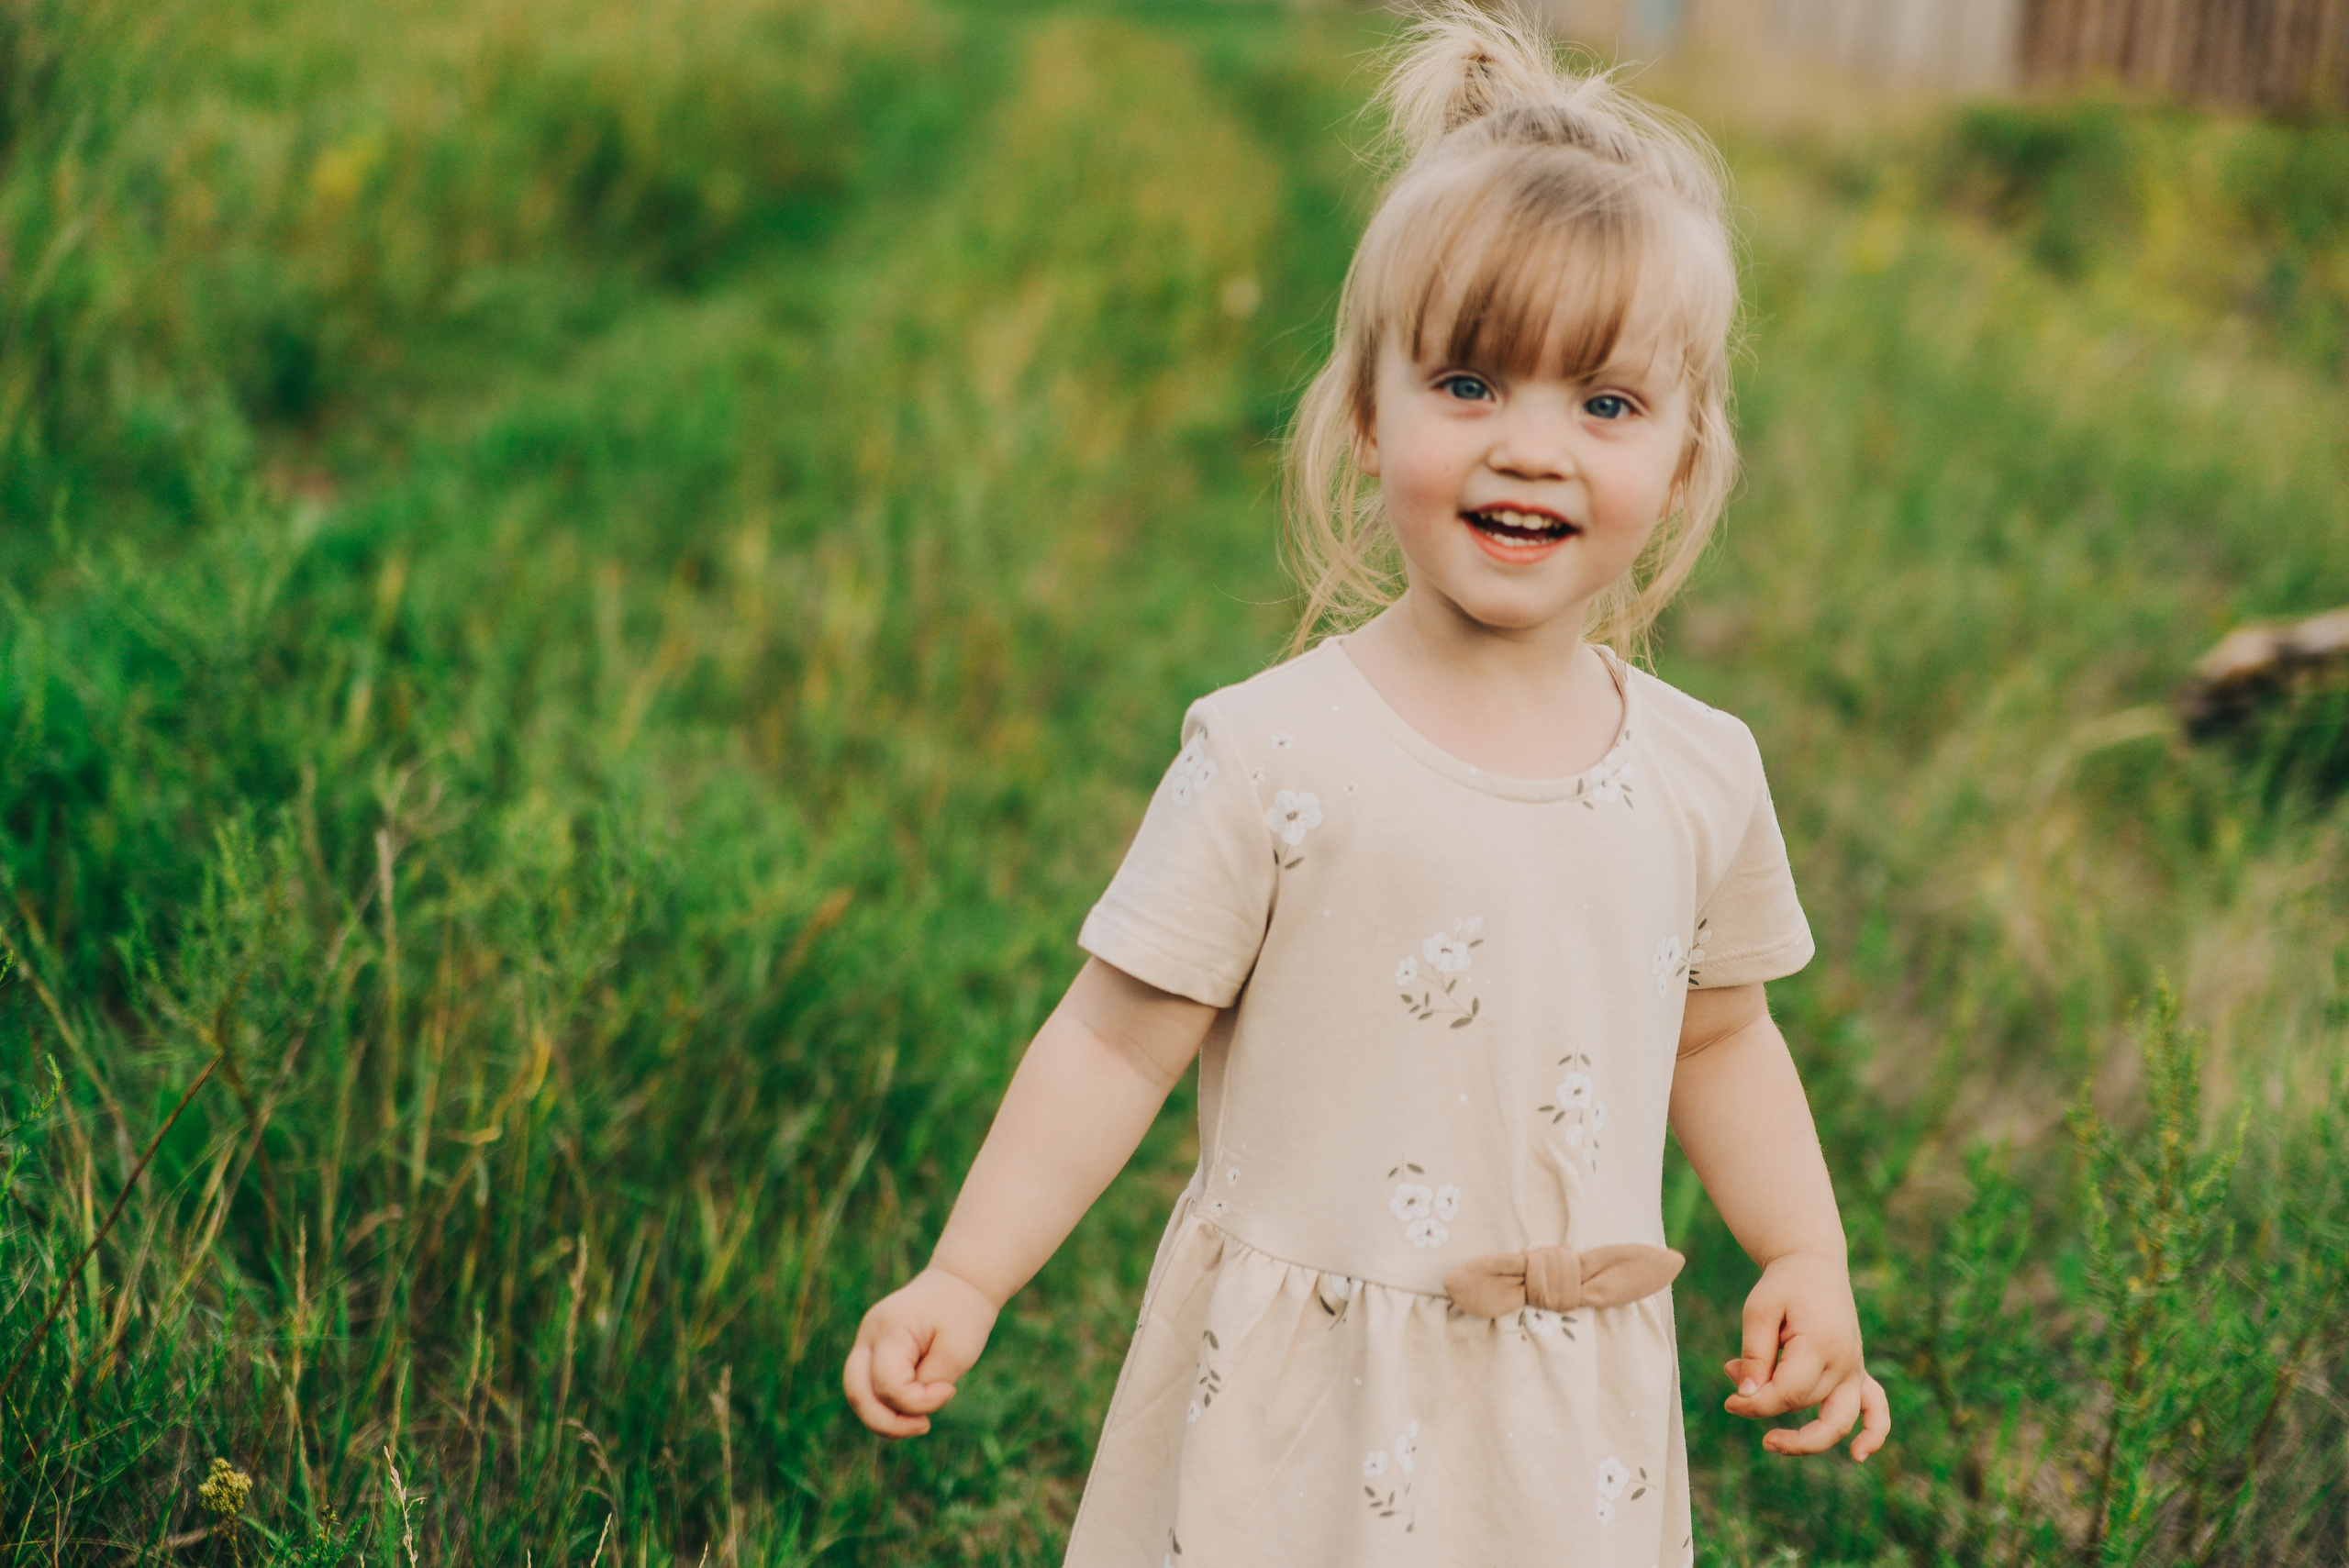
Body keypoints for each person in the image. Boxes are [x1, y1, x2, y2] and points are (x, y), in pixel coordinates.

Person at [843, 6, 1890, 1562]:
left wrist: (1803, 1247)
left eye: (1603, 405)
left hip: (1562, 1424)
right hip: (1300, 1400)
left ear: (1681, 459)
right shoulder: (1276, 752)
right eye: (1470, 384)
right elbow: (1115, 1045)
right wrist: (966, 1276)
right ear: (1367, 412)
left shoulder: (1697, 772)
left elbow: (1723, 1035)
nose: (1531, 449)